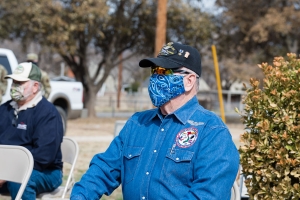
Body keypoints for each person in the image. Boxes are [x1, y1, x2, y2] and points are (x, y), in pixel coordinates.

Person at [70, 42, 240, 200]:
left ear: (189, 81)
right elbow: (103, 170)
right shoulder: (137, 123)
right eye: (154, 71)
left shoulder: (212, 132)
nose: (156, 78)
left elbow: (207, 195)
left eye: (164, 71)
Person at [0, 62, 64, 199]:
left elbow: (44, 156)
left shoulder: (48, 113)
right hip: (5, 170)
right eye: (13, 82)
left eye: (20, 82)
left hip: (45, 171)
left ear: (35, 87)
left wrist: (7, 173)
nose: (14, 86)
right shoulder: (4, 109)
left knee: (18, 180)